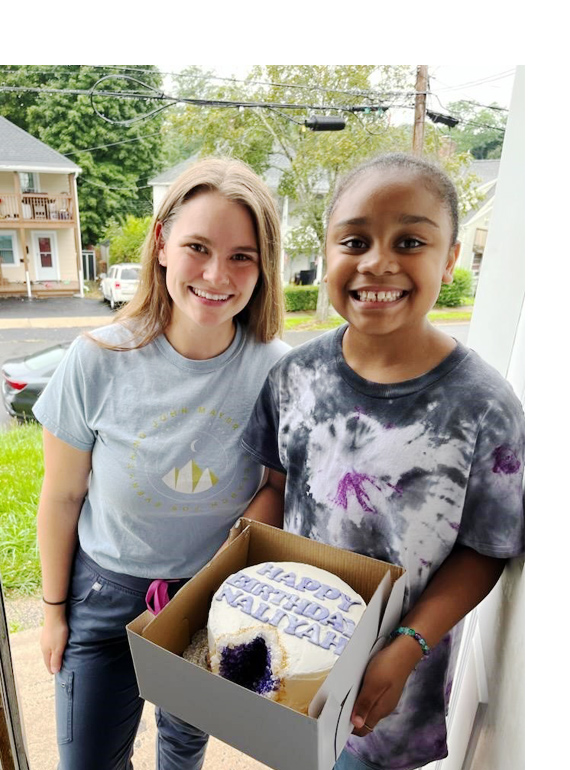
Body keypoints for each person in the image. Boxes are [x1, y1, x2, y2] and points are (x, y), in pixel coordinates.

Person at [241, 152, 524, 770]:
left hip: (394, 691)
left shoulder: (483, 405)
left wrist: (407, 645)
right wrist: (229, 580)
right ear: (328, 249)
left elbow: (486, 548)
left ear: (450, 258)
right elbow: (275, 487)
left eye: (411, 240)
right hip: (293, 660)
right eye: (356, 239)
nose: (377, 261)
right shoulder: (292, 376)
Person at [32, 157, 290, 770]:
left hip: (205, 597)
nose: (215, 274)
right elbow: (62, 496)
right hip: (102, 595)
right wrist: (51, 611)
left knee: (183, 747)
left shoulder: (277, 369)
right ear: (162, 244)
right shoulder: (95, 360)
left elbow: (277, 484)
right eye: (197, 246)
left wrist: (234, 554)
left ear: (265, 266)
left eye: (241, 256)